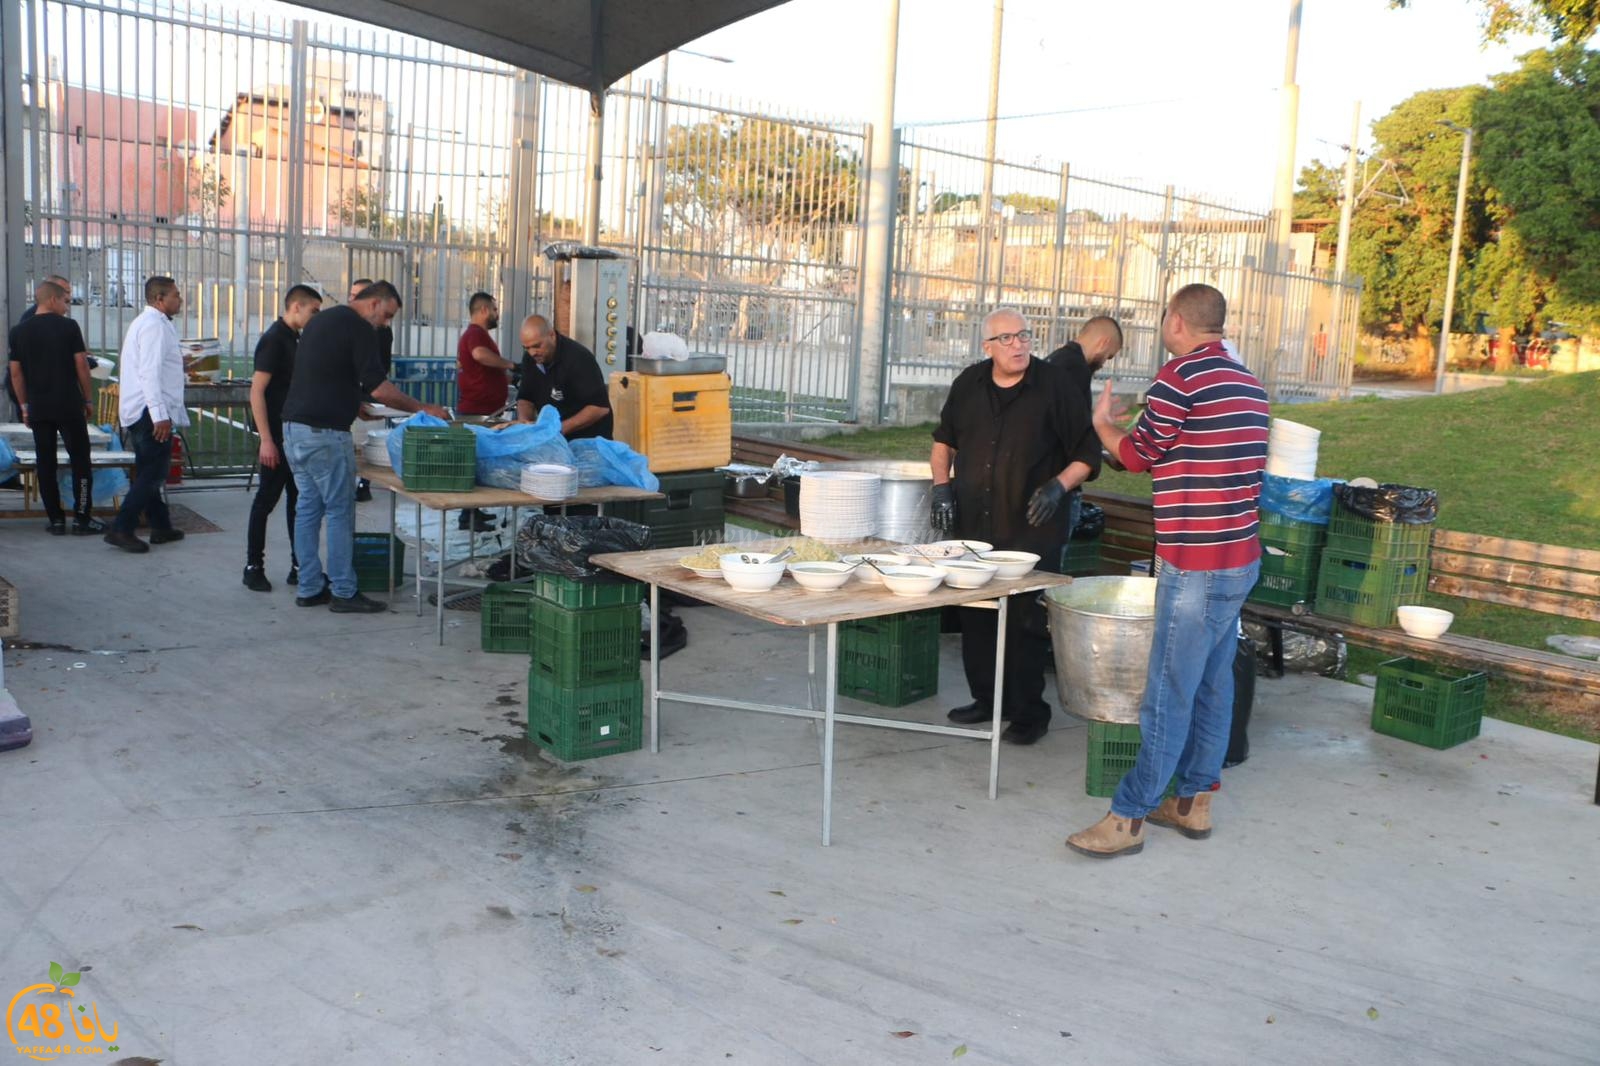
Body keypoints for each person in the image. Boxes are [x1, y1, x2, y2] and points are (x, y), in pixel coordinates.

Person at [1066, 283, 1269, 859]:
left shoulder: (1180, 378)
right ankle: (1192, 801)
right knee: (1212, 682)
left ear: (1176, 322)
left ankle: (1128, 815)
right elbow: (1197, 452)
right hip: (1239, 559)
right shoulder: (1249, 385)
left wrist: (1103, 422)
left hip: (1194, 563)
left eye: (1162, 321)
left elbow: (1136, 457)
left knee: (1167, 692)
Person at [928, 307, 1099, 746]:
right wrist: (941, 488)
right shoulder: (969, 383)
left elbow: (1086, 453)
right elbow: (943, 441)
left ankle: (1029, 713)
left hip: (1031, 525)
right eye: (1007, 339)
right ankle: (987, 699)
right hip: (974, 524)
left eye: (1024, 336)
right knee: (977, 613)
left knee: (1023, 621)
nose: (1019, 345)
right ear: (988, 347)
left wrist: (1058, 488)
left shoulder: (1055, 386)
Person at [280, 280, 448, 613]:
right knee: (341, 512)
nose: (385, 324)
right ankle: (343, 591)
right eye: (386, 315)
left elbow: (322, 373)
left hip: (294, 429)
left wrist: (351, 399)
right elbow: (381, 388)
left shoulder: (322, 321)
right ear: (373, 304)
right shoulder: (359, 328)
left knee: (308, 510)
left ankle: (311, 587)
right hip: (326, 435)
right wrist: (423, 408)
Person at [242, 285, 321, 592]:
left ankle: (299, 565)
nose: (316, 317)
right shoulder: (274, 340)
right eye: (313, 310)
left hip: (294, 436)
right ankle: (253, 565)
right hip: (276, 436)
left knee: (298, 502)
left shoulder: (295, 339)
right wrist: (266, 440)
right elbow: (257, 391)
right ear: (296, 307)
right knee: (265, 501)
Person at [7, 280, 102, 535]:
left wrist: (25, 405)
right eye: (65, 302)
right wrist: (88, 398)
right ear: (52, 300)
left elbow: (16, 373)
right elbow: (81, 364)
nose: (67, 307)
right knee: (80, 460)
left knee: (45, 461)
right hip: (68, 404)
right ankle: (82, 518)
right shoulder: (68, 327)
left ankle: (56, 520)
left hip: (38, 407)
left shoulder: (19, 331)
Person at [105, 276, 188, 553]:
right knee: (153, 473)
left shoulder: (151, 323)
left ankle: (160, 526)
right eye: (176, 295)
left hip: (143, 410)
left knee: (149, 471)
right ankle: (122, 528)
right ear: (159, 299)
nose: (180, 299)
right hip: (148, 411)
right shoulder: (153, 326)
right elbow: (149, 374)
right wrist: (159, 415)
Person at [1045, 315, 1123, 566]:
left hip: (1047, 478)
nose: (1104, 363)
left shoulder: (1056, 361)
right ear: (1103, 343)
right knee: (1051, 567)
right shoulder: (1076, 368)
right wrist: (1104, 426)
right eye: (1109, 356)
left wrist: (1099, 451)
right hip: (1060, 486)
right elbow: (1076, 435)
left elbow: (1065, 430)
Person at [454, 291, 516, 531]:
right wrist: (512, 364)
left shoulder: (478, 335)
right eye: (494, 309)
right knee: (474, 460)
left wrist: (509, 376)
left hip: (485, 408)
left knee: (477, 460)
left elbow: (487, 369)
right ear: (482, 310)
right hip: (476, 411)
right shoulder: (475, 335)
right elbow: (480, 356)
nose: (496, 314)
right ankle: (467, 515)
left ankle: (473, 511)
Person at [515, 314, 612, 438]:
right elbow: (525, 398)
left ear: (552, 335)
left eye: (537, 346)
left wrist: (559, 429)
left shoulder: (578, 358)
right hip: (554, 439)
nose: (532, 352)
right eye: (526, 348)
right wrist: (525, 425)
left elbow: (599, 408)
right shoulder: (530, 359)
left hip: (588, 440)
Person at [350, 278, 394, 503]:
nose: (352, 300)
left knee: (366, 443)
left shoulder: (380, 331)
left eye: (357, 295)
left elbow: (379, 370)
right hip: (350, 398)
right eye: (351, 295)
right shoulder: (342, 325)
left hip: (368, 396)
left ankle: (362, 484)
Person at [7, 273, 72, 420]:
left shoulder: (54, 319)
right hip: (31, 389)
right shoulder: (31, 320)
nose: (68, 297)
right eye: (65, 292)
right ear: (51, 293)